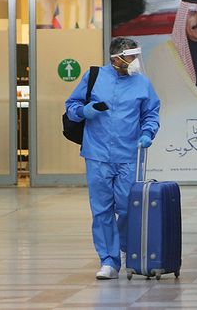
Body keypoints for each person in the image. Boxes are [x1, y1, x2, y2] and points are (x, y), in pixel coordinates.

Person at [64, 37, 160, 280]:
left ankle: (129, 248)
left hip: (128, 155)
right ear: (116, 58)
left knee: (128, 207)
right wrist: (84, 111)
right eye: (131, 57)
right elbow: (72, 106)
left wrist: (148, 133)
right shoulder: (94, 77)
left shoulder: (142, 84)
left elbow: (151, 112)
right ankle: (108, 259)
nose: (135, 61)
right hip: (97, 155)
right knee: (101, 210)